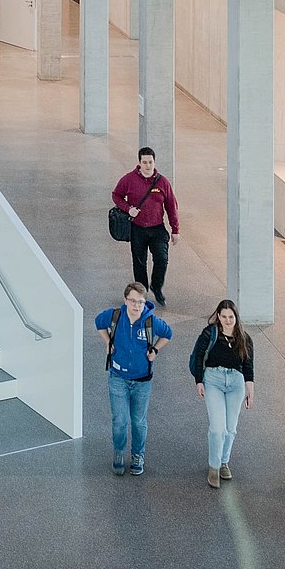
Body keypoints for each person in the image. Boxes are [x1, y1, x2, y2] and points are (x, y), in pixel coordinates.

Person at [93, 282, 172, 476]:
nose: (137, 306)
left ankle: (138, 455)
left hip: (142, 380)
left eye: (140, 302)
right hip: (118, 377)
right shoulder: (115, 316)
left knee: (138, 421)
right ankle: (119, 453)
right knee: (120, 420)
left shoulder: (151, 321)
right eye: (133, 301)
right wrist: (107, 342)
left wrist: (155, 350)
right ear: (125, 300)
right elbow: (98, 323)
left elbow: (168, 334)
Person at [189, 299, 255, 488]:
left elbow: (248, 367)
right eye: (224, 316)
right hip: (213, 379)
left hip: (236, 382)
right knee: (218, 428)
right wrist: (199, 381)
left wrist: (250, 392)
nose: (227, 320)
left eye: (231, 317)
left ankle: (224, 461)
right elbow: (200, 356)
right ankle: (214, 466)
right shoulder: (209, 333)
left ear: (236, 317)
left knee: (230, 428)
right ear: (218, 316)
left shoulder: (245, 338)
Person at [111, 146, 180, 306]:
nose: (148, 165)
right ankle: (141, 291)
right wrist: (128, 209)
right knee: (139, 262)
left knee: (161, 259)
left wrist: (175, 229)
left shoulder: (162, 182)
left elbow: (171, 206)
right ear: (139, 163)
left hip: (157, 229)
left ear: (154, 162)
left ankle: (156, 286)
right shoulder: (129, 179)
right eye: (145, 162)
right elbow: (116, 195)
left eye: (150, 162)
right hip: (138, 229)